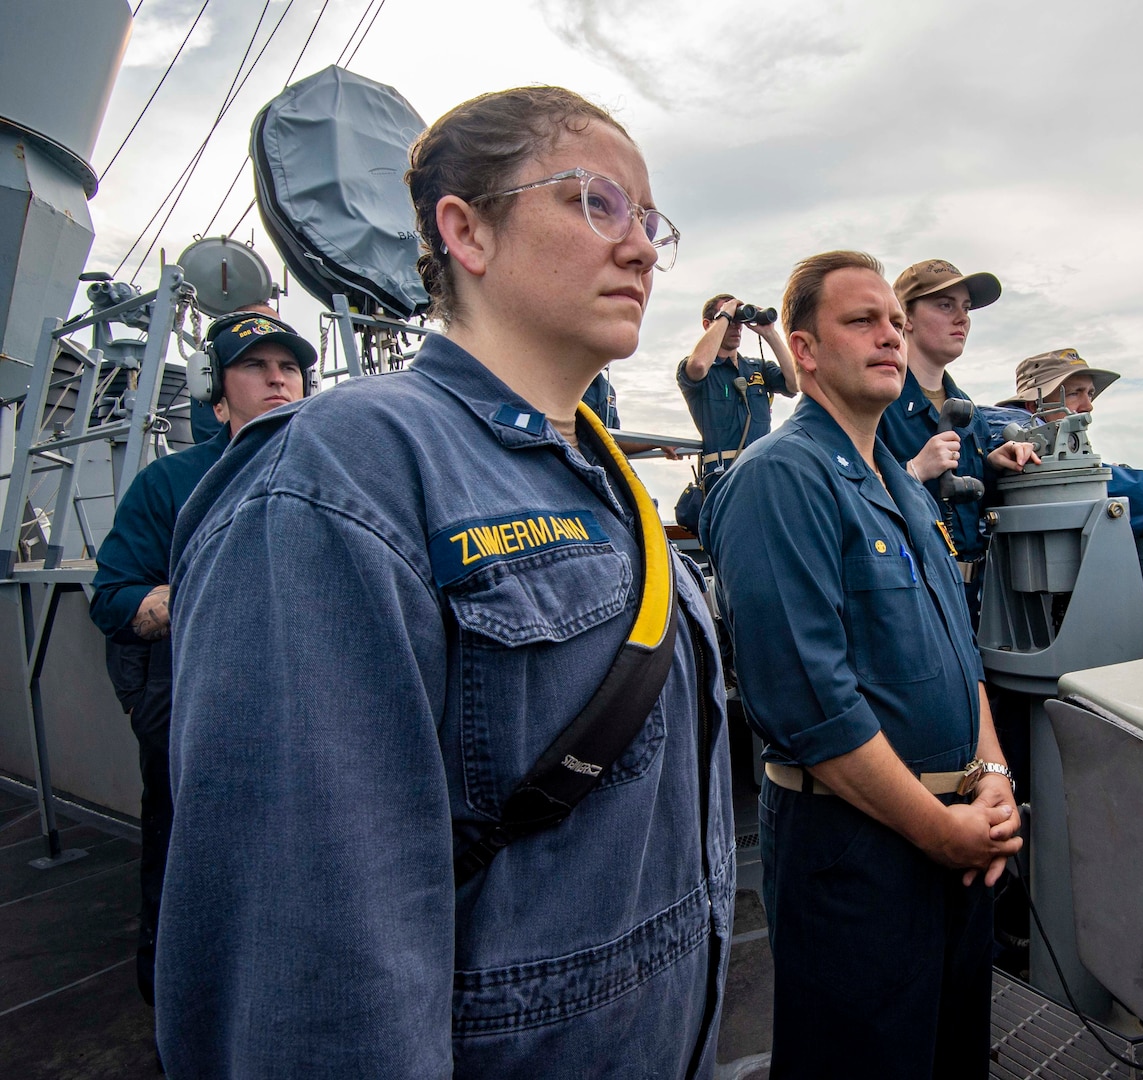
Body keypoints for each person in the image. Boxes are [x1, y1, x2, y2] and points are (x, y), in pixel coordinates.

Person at [157, 86, 733, 1077]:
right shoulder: (344, 471)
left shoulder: (604, 475)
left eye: (649, 220)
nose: (639, 246)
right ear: (464, 231)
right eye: (597, 202)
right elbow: (312, 974)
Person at [700, 251, 1022, 1078]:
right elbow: (812, 706)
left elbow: (960, 656)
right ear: (802, 351)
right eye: (859, 321)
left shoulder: (904, 486)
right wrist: (939, 830)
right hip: (859, 852)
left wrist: (990, 776)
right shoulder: (779, 480)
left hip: (953, 842)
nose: (889, 335)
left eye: (891, 320)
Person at [88, 309, 315, 1012]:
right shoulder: (170, 482)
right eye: (255, 367)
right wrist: (219, 592)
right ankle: (177, 1008)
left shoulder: (341, 474)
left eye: (289, 367)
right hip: (195, 697)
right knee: (188, 858)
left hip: (302, 694)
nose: (278, 378)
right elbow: (114, 598)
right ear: (218, 398)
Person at [877, 260, 1034, 619]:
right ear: (906, 318)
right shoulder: (879, 406)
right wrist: (914, 471)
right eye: (945, 305)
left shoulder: (969, 413)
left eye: (965, 308)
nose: (961, 318)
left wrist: (993, 467)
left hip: (972, 598)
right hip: (911, 599)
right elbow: (849, 501)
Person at [1003, 348, 1143, 535]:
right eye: (1075, 393)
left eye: (1090, 393)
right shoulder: (1030, 449)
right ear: (1034, 405)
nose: (1089, 406)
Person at [677, 293, 798, 483]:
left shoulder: (757, 368)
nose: (736, 326)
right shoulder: (702, 370)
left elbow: (795, 383)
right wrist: (724, 315)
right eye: (730, 320)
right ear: (709, 325)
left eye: (738, 320)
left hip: (763, 472)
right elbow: (699, 365)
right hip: (723, 475)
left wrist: (769, 333)